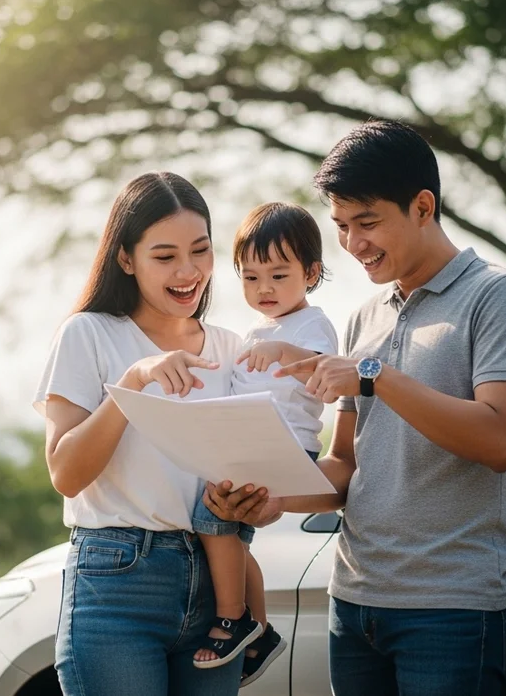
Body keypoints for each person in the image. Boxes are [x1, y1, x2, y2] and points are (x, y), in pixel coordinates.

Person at [204, 120, 506, 696]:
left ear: (422, 206)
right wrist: (271, 502)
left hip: (451, 607)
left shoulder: (499, 296)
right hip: (355, 600)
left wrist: (373, 377)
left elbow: (500, 441)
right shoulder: (365, 317)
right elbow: (344, 465)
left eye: (367, 222)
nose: (353, 243)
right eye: (341, 226)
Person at [34, 171, 245, 696]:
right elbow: (66, 473)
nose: (188, 271)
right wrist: (134, 382)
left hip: (216, 585)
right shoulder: (89, 334)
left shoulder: (233, 348)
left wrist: (253, 503)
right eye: (165, 256)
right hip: (117, 582)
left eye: (201, 251)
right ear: (126, 259)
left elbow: (253, 476)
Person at [188, 203, 339, 686]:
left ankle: (234, 619)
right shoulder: (254, 332)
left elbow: (326, 372)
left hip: (286, 449)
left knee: (213, 518)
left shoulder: (311, 324)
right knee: (228, 531)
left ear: (311, 273)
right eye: (251, 278)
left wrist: (287, 352)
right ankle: (261, 626)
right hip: (254, 446)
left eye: (278, 275)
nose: (265, 289)